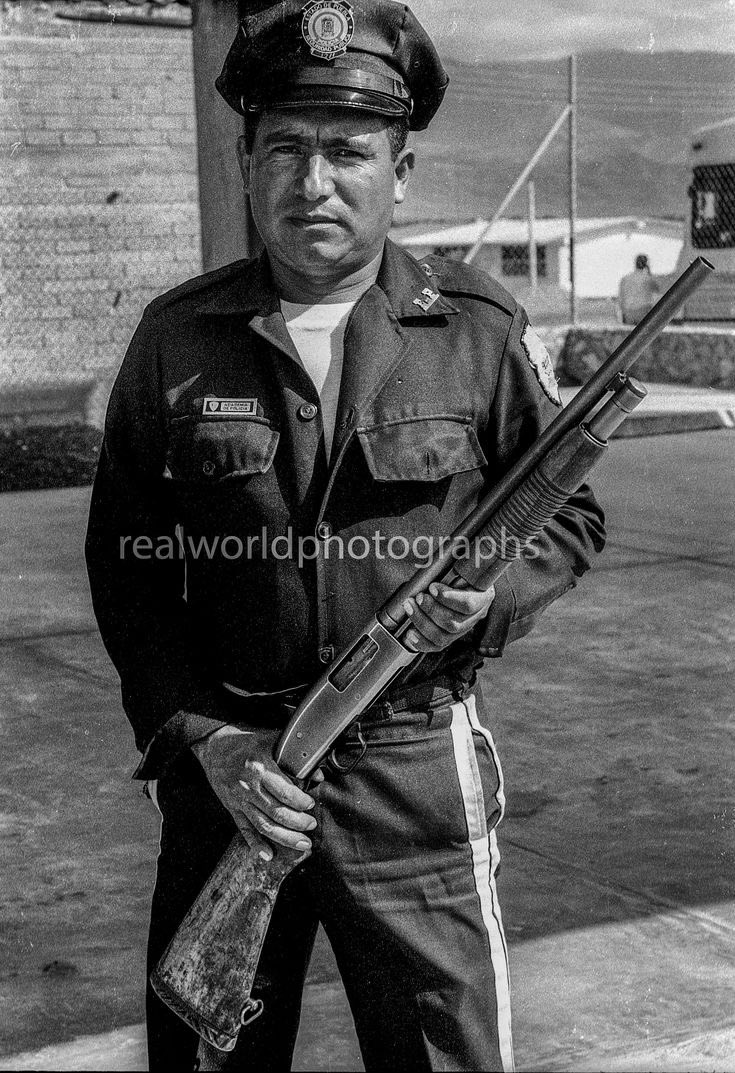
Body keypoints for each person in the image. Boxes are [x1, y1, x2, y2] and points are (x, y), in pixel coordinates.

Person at [85, 2, 606, 1070]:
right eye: (284, 148)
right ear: (245, 161)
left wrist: (489, 592)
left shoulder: (474, 327)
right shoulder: (173, 339)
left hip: (411, 770)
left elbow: (570, 510)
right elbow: (127, 570)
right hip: (236, 778)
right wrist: (203, 740)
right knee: (208, 1050)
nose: (312, 181)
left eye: (347, 152)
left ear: (400, 172)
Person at [618, 253, 660, 324]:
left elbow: (620, 299)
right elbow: (657, 290)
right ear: (646, 265)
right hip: (643, 315)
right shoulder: (649, 279)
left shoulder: (625, 278)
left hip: (628, 316)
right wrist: (649, 272)